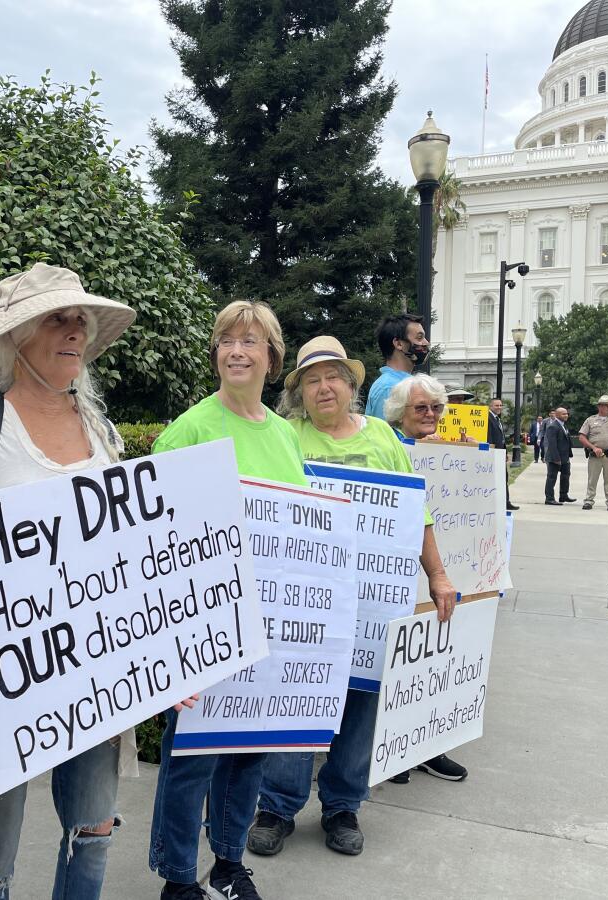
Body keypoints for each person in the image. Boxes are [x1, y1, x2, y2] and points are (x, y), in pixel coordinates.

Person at [0, 262, 179, 900]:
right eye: (55, 319)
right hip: (0, 671)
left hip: (99, 665)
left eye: (80, 321)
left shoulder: (103, 433)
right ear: (15, 336)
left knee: (93, 829)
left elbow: (131, 556)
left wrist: (168, 653)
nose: (73, 331)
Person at [246, 348, 459, 861]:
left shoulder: (383, 436)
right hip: (306, 600)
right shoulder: (286, 435)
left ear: (350, 387)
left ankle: (343, 804)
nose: (324, 388)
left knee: (362, 701)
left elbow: (416, 512)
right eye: (312, 381)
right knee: (299, 695)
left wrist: (438, 572)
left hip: (372, 601)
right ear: (298, 393)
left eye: (333, 378)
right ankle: (277, 806)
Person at [148, 300, 304, 900]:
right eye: (226, 341)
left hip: (270, 622)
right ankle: (178, 877)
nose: (236, 351)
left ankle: (229, 864)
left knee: (249, 751)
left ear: (271, 356)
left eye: (250, 341)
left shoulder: (287, 434)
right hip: (202, 621)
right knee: (193, 755)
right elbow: (157, 538)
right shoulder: (188, 431)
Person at [364, 313, 428, 419]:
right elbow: (386, 434)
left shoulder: (400, 383)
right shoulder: (389, 388)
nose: (426, 342)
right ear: (398, 344)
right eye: (419, 337)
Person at [577, 395, 608, 511]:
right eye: (606, 406)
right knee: (592, 479)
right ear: (599, 406)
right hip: (595, 456)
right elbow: (581, 437)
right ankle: (589, 500)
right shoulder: (590, 420)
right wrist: (593, 447)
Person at [488, 398, 518, 511]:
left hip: (500, 453)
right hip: (494, 454)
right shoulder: (488, 418)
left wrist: (504, 452)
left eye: (501, 405)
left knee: (503, 478)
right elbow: (490, 438)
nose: (499, 407)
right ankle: (502, 502)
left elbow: (501, 438)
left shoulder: (497, 419)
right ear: (490, 406)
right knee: (498, 479)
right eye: (496, 405)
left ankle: (506, 501)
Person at [543, 407, 576, 505]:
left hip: (565, 457)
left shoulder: (563, 425)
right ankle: (549, 498)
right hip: (555, 458)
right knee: (552, 478)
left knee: (566, 476)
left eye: (566, 413)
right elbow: (552, 444)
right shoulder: (553, 426)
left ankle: (563, 495)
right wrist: (556, 458)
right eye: (563, 414)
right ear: (557, 415)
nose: (566, 415)